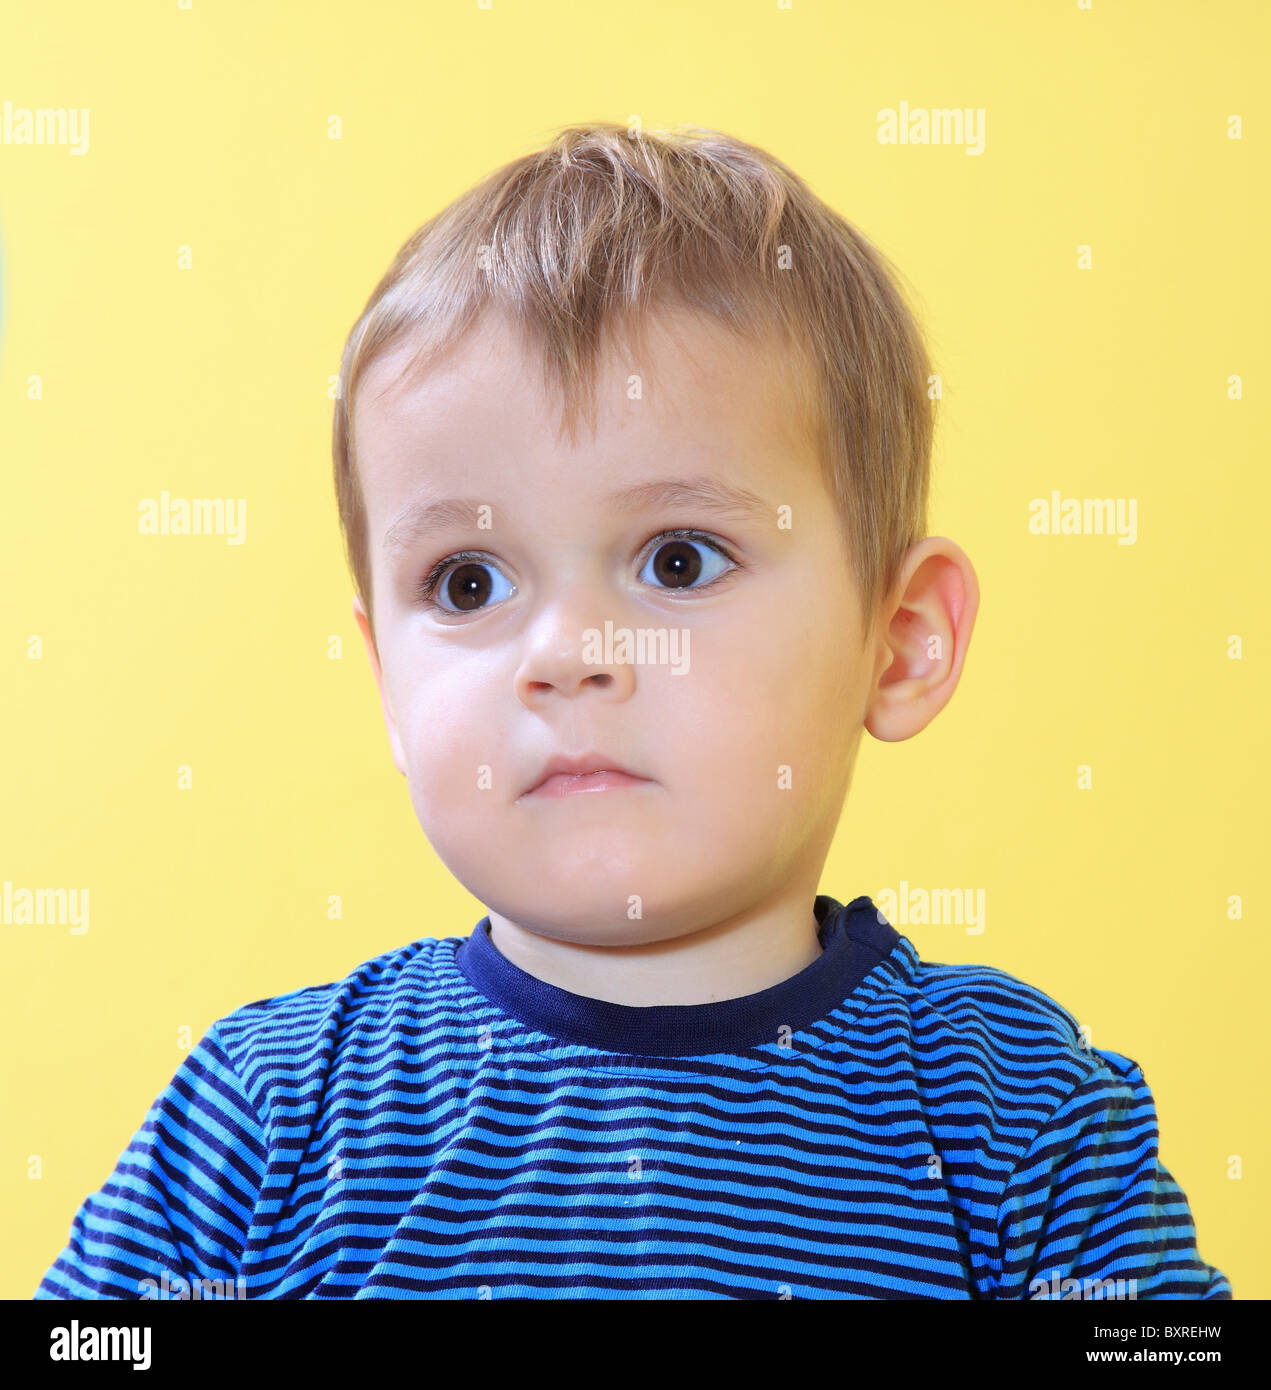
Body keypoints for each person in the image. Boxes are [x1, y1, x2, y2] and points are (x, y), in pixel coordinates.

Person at [35, 122, 1230, 1300]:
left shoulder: (1011, 1112)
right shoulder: (269, 1111)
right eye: (468, 582)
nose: (565, 653)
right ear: (386, 683)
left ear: (899, 640)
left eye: (675, 560)